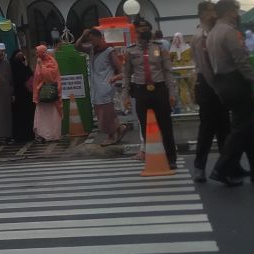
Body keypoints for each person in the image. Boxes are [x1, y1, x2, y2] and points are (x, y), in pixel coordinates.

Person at [206, 0, 254, 186]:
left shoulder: (212, 33)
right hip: (236, 82)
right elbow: (242, 60)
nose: (238, 15)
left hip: (223, 82)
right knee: (239, 129)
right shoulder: (230, 32)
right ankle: (221, 169)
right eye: (236, 11)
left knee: (248, 127)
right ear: (229, 12)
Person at [122, 18, 177, 169]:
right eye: (140, 30)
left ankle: (171, 158)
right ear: (136, 32)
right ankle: (153, 157)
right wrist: (125, 96)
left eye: (146, 29)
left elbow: (168, 72)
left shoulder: (160, 48)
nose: (144, 32)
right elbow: (126, 75)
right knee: (146, 127)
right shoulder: (130, 50)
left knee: (165, 125)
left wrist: (172, 93)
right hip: (141, 91)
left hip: (159, 90)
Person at [191, 1, 231, 183]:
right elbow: (205, 67)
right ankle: (203, 167)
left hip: (212, 84)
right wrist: (218, 88)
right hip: (209, 85)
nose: (215, 14)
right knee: (210, 129)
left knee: (222, 128)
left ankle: (227, 166)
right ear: (204, 14)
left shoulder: (210, 33)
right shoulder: (202, 35)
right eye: (212, 11)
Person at [78, 28, 126, 146]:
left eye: (93, 40)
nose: (91, 42)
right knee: (102, 113)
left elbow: (121, 70)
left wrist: (115, 78)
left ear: (100, 38)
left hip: (106, 87)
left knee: (106, 114)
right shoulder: (91, 50)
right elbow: (77, 46)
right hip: (96, 88)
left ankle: (111, 136)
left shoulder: (109, 51)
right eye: (89, 40)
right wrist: (83, 36)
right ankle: (119, 128)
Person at [31, 45, 62, 142]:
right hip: (41, 93)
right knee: (42, 116)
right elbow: (37, 77)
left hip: (50, 93)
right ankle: (42, 135)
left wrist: (41, 66)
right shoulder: (39, 61)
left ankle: (52, 135)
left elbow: (51, 76)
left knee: (52, 116)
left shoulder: (51, 61)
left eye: (37, 52)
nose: (36, 54)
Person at [9, 48, 35, 144]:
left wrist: (26, 65)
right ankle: (18, 136)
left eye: (22, 56)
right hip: (17, 96)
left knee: (27, 116)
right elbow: (13, 79)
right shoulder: (11, 66)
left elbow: (30, 75)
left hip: (26, 95)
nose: (20, 57)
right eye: (18, 56)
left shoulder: (24, 66)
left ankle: (28, 135)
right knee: (18, 117)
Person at [169, 33, 194, 111]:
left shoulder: (172, 49)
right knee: (191, 87)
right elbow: (191, 57)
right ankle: (192, 104)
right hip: (188, 69)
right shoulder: (188, 48)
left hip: (178, 70)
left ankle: (185, 106)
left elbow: (169, 59)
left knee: (182, 88)